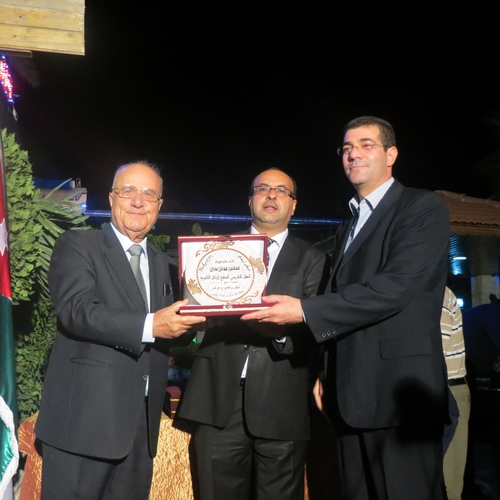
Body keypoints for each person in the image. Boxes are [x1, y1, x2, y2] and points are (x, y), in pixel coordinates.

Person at [242, 117, 450, 499]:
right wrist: (326, 371)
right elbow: (343, 298)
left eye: (366, 144)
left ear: (391, 154)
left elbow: (395, 288)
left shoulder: (420, 207)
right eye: (347, 148)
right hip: (349, 398)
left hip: (400, 399)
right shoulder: (349, 224)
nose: (354, 153)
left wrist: (304, 311)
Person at [35, 162, 205, 500]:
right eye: (128, 191)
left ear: (159, 206)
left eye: (149, 194)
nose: (138, 201)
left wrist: (201, 319)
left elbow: (171, 329)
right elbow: (77, 311)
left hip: (140, 429)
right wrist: (151, 324)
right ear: (112, 198)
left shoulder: (164, 263)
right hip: (83, 425)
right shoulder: (78, 244)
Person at [177, 168, 329, 500]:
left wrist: (279, 334)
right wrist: (195, 320)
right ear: (250, 200)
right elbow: (186, 313)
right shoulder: (213, 251)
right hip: (218, 400)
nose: (271, 195)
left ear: (293, 205)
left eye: (282, 190)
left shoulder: (315, 260)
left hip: (283, 404)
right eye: (263, 188)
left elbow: (319, 328)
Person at [441, 287, 470, 500]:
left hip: (448, 389)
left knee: (448, 483)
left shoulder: (438, 293)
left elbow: (436, 351)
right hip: (445, 387)